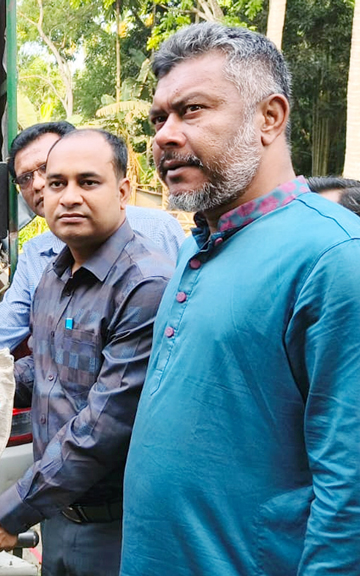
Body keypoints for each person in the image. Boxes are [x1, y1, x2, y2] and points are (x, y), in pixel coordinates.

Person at [122, 23, 360, 576]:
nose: (164, 136)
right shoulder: (197, 246)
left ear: (269, 117)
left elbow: (349, 497)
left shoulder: (334, 258)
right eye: (159, 118)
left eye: (192, 110)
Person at [0, 129, 172, 575]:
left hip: (114, 528)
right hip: (59, 513)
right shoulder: (55, 273)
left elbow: (104, 427)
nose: (69, 196)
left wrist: (12, 510)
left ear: (123, 190)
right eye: (57, 183)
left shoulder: (144, 286)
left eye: (88, 182)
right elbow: (43, 370)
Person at [0, 122, 184, 376]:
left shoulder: (157, 231)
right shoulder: (38, 256)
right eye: (26, 178)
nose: (38, 184)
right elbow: (9, 323)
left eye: (46, 169)